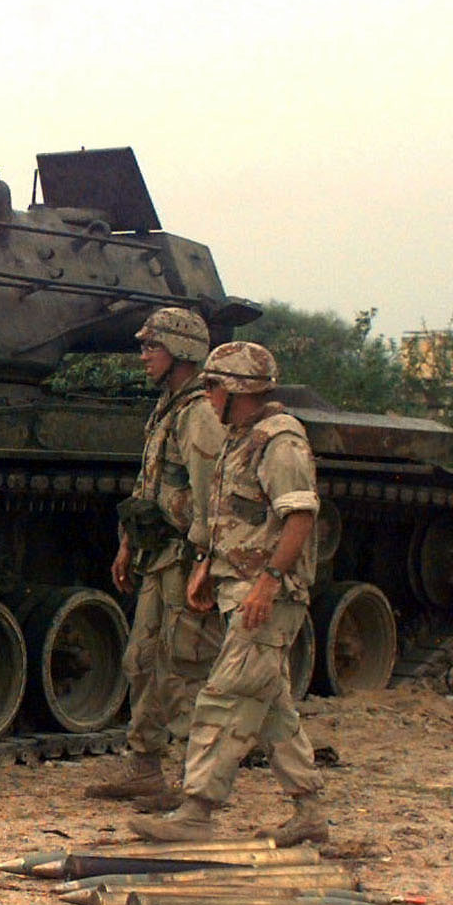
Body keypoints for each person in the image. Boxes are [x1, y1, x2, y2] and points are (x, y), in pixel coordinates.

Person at [129, 341, 329, 847]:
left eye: (214, 385)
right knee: (272, 707)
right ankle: (310, 812)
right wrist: (204, 564)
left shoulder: (278, 442)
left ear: (235, 389)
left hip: (267, 598)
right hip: (237, 587)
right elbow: (228, 519)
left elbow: (299, 517)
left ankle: (197, 810)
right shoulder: (239, 438)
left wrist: (269, 582)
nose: (208, 395)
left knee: (223, 698)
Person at [85, 308, 224, 810]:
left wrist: (207, 561)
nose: (143, 355)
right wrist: (128, 541)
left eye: (152, 347)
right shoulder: (169, 407)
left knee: (184, 668)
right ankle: (144, 767)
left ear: (181, 351)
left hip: (185, 559)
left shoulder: (200, 414)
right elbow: (149, 485)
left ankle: (196, 784)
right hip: (157, 555)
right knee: (142, 660)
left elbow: (212, 498)